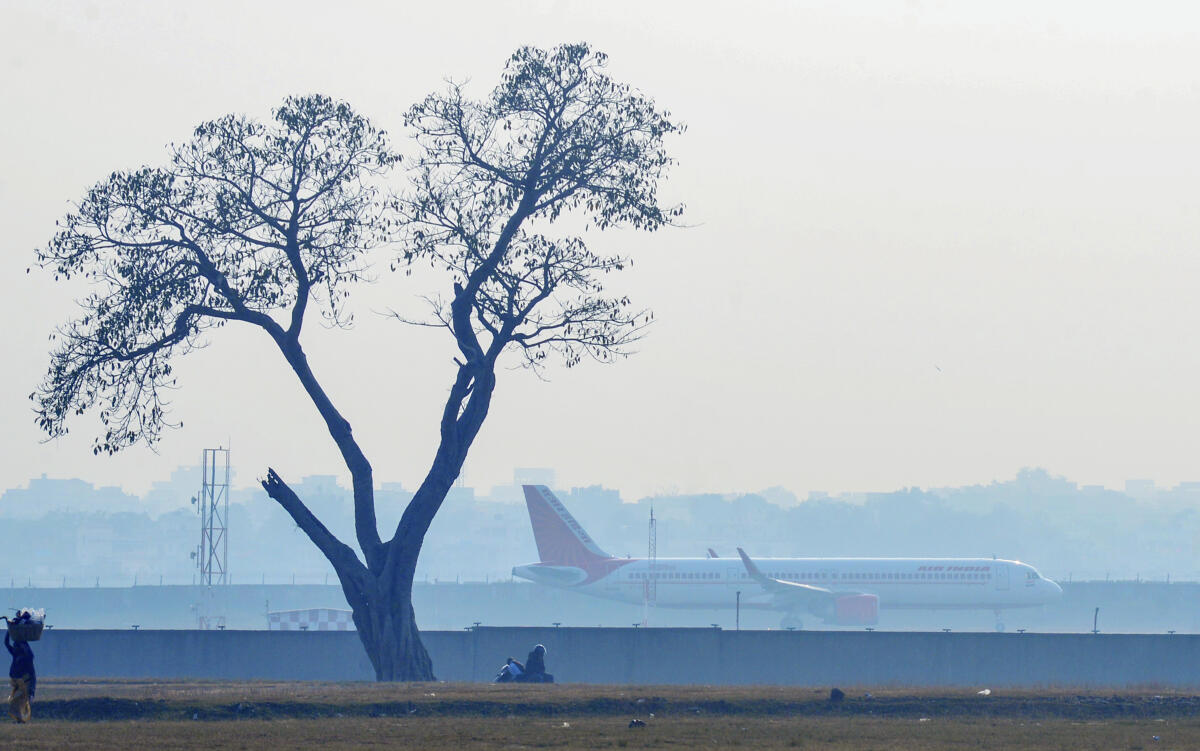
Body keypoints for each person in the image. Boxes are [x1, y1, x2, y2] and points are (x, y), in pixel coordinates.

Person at [5, 631, 34, 723]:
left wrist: (21, 642)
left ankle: (22, 719)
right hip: (17, 681)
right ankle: (20, 719)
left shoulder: (27, 656)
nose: (15, 647)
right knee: (16, 701)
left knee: (22, 700)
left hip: (25, 681)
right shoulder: (15, 654)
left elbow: (28, 653)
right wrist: (9, 631)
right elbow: (6, 643)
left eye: (17, 646)